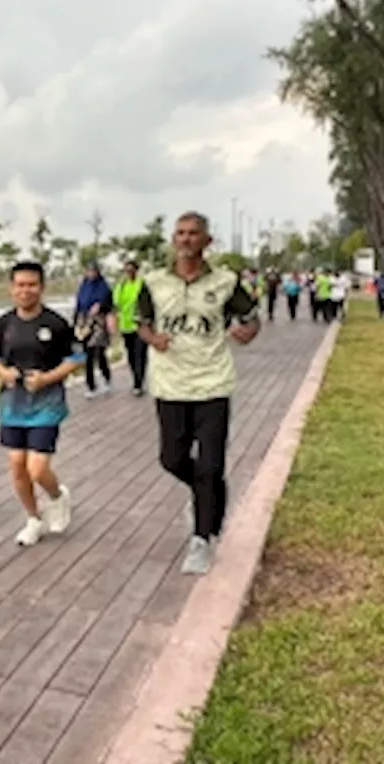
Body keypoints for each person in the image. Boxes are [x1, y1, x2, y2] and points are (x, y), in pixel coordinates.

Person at [135, 212, 260, 575]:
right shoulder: (154, 282)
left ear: (207, 241)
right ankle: (208, 496)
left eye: (194, 234)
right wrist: (153, 338)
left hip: (212, 384)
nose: (186, 239)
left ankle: (202, 537)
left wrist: (248, 331)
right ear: (173, 240)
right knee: (172, 459)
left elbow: (251, 317)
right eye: (180, 233)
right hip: (170, 385)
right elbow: (141, 324)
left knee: (210, 464)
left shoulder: (225, 282)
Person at [0, 261, 80, 546]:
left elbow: (75, 358)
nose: (25, 290)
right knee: (17, 465)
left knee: (36, 469)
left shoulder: (55, 324)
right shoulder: (4, 324)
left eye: (31, 285)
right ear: (12, 288)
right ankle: (33, 519)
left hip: (46, 405)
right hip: (12, 405)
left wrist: (47, 378)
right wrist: (4, 373)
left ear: (41, 287)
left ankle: (57, 496)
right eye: (20, 285)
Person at [73, 262, 114, 398]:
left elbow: (109, 305)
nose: (91, 274)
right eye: (88, 271)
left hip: (98, 324)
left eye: (93, 271)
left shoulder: (103, 287)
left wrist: (100, 306)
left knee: (99, 353)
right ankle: (91, 386)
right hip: (84, 323)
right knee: (87, 355)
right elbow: (78, 305)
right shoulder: (83, 287)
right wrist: (75, 324)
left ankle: (106, 379)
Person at [113, 260, 148, 396]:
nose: (129, 273)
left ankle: (138, 383)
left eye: (131, 270)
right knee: (131, 355)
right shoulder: (121, 285)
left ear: (136, 270)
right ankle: (135, 378)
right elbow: (116, 303)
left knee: (140, 354)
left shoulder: (141, 284)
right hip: (125, 325)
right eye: (126, 270)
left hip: (139, 325)